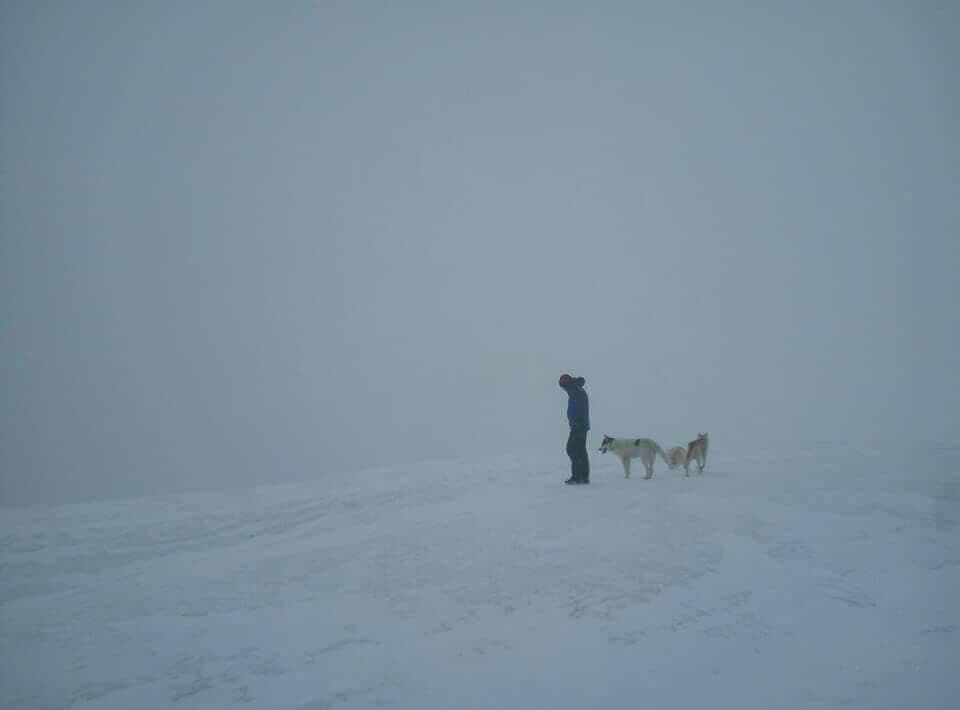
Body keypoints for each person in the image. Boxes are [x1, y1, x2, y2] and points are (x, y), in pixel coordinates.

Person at [558, 373, 590, 485]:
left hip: (579, 426)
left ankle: (578, 476)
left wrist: (577, 423)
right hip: (579, 425)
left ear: (567, 384)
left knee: (572, 449)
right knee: (579, 450)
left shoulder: (577, 391)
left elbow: (580, 409)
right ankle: (583, 477)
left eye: (563, 386)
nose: (563, 389)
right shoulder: (575, 390)